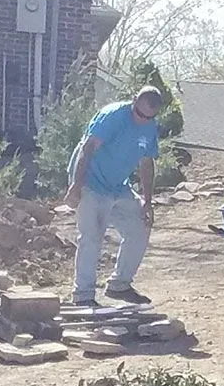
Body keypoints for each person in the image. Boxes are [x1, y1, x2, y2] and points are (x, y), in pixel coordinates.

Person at [64, 87, 163, 307]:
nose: (143, 120)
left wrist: (147, 201)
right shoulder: (112, 116)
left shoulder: (150, 126)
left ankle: (120, 284)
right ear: (134, 100)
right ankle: (83, 295)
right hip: (90, 182)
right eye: (140, 114)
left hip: (118, 186)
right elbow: (87, 148)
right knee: (92, 236)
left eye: (150, 117)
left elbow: (147, 162)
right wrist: (76, 185)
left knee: (140, 225)